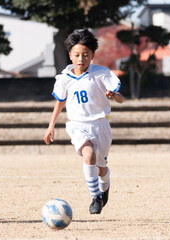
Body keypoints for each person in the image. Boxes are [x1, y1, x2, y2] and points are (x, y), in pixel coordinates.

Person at [43, 29, 124, 215]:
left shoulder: (102, 74)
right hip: (77, 124)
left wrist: (114, 95)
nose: (81, 59)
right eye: (77, 54)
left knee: (101, 167)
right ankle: (95, 196)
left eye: (86, 55)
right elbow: (60, 101)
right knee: (88, 155)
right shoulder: (64, 79)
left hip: (100, 125)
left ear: (92, 55)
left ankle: (105, 187)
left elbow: (121, 99)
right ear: (70, 55)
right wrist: (51, 126)